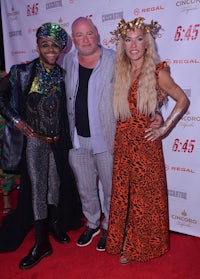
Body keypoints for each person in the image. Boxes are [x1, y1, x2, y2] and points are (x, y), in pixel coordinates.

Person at [63, 17, 163, 252]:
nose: (85, 39)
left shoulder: (116, 60)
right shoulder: (67, 61)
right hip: (77, 139)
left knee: (112, 189)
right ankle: (92, 222)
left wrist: (155, 112)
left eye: (89, 33)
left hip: (108, 138)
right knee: (85, 188)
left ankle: (110, 226)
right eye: (79, 35)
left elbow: (140, 85)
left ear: (97, 34)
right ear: (73, 39)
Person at [105, 17, 190, 264]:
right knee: (124, 194)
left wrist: (163, 128)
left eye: (139, 39)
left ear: (146, 44)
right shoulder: (121, 71)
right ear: (123, 44)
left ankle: (138, 247)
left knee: (144, 197)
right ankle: (124, 240)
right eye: (128, 40)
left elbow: (183, 100)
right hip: (123, 142)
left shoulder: (156, 71)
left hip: (145, 144)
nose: (133, 45)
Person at [0, 22, 82, 269]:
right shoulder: (21, 72)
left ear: (61, 50)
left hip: (58, 142)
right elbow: (1, 99)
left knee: (55, 185)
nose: (50, 50)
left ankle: (54, 224)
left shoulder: (64, 75)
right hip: (34, 141)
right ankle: (40, 242)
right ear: (37, 47)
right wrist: (17, 121)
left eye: (55, 46)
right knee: (37, 188)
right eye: (45, 45)